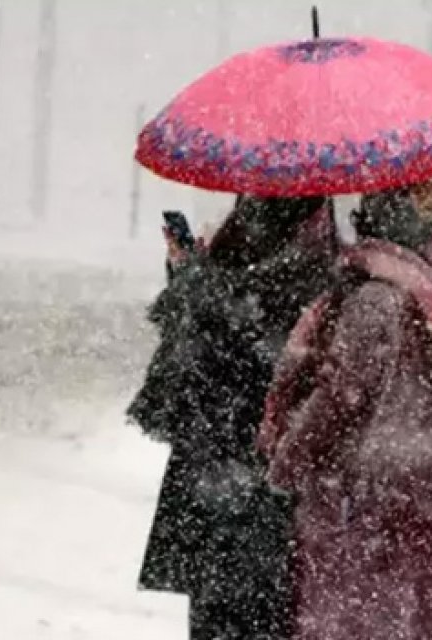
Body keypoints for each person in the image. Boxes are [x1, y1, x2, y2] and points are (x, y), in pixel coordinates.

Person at [257, 182, 432, 640]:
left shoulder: (376, 299)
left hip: (361, 498)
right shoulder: (425, 294)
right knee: (398, 623)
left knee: (348, 623)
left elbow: (342, 396)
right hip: (413, 490)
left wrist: (286, 461)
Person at [127, 196, 336, 640]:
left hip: (234, 471)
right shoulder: (320, 261)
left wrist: (195, 280)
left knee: (228, 614)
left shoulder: (261, 262)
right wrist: (190, 274)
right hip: (259, 479)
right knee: (258, 612)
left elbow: (219, 350)